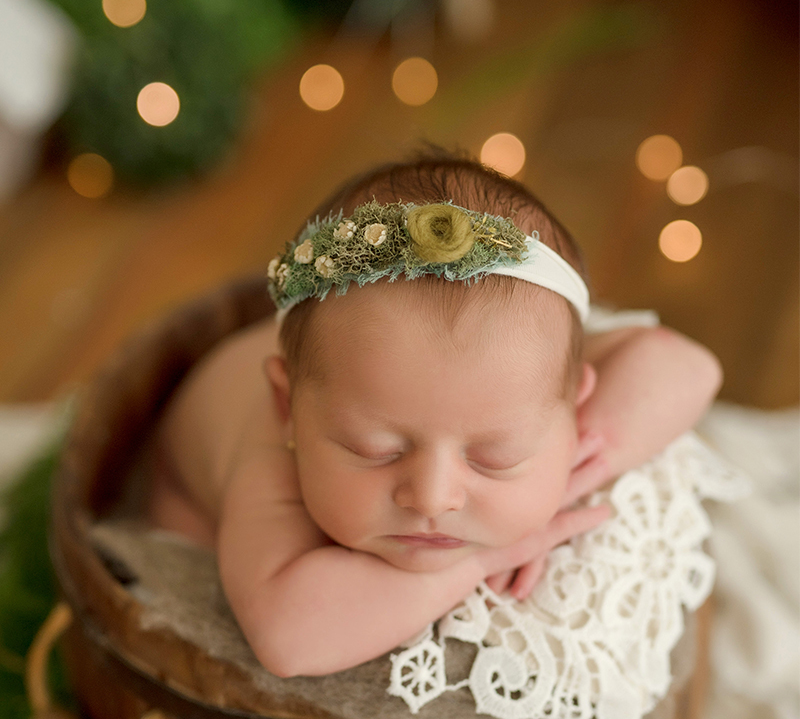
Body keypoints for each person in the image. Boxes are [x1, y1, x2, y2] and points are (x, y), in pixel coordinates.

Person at [148, 153, 722, 678]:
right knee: (198, 612)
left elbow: (689, 367)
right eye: (377, 449)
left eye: (496, 455)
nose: (431, 497)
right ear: (288, 409)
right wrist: (489, 556)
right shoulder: (271, 457)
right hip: (189, 504)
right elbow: (288, 639)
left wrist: (589, 460)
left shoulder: (514, 354)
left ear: (572, 405)